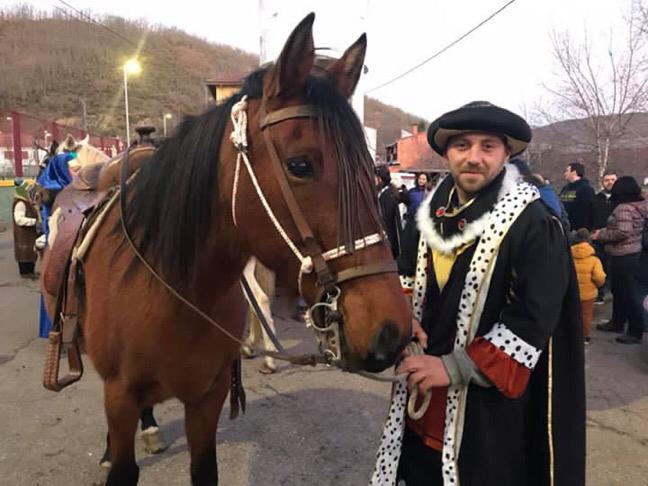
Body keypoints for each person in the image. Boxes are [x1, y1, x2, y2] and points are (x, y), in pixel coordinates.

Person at [371, 101, 584, 486]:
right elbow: (405, 274)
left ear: (506, 153)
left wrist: (452, 368)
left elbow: (533, 319)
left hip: (487, 410)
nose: (474, 157)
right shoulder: (428, 214)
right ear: (446, 153)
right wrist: (406, 315)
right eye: (462, 145)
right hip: (421, 394)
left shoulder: (533, 221)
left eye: (488, 146)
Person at [593, 176, 648, 344]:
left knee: (628, 293)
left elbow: (623, 231)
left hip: (624, 254)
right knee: (624, 291)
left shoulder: (624, 208)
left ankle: (633, 330)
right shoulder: (641, 205)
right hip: (634, 254)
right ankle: (619, 322)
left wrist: (600, 235)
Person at [586, 171, 618, 303]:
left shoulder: (621, 199)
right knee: (599, 267)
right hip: (598, 239)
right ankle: (600, 293)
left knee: (615, 268)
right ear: (602, 182)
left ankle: (616, 294)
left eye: (612, 180)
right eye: (607, 180)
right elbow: (588, 217)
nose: (610, 182)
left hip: (617, 239)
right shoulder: (595, 199)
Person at [570, 228, 606, 343]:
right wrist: (597, 285)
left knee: (571, 314)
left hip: (572, 292)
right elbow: (599, 277)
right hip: (588, 295)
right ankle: (584, 337)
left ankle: (571, 335)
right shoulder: (594, 260)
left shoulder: (568, 256)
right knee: (585, 316)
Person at [12, 179, 39, 278]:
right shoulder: (20, 203)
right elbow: (19, 219)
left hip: (29, 234)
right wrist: (34, 222)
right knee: (24, 254)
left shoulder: (27, 202)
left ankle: (30, 272)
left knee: (30, 253)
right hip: (23, 235)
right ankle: (26, 274)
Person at [375, 165, 403, 258]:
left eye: (375, 177)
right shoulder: (381, 192)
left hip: (388, 237)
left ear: (380, 179)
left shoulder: (388, 195)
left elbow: (387, 219)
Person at [560, 162, 595, 230]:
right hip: (566, 228)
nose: (565, 173)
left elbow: (588, 211)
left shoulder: (586, 189)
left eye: (567, 171)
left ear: (574, 172)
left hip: (579, 229)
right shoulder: (565, 189)